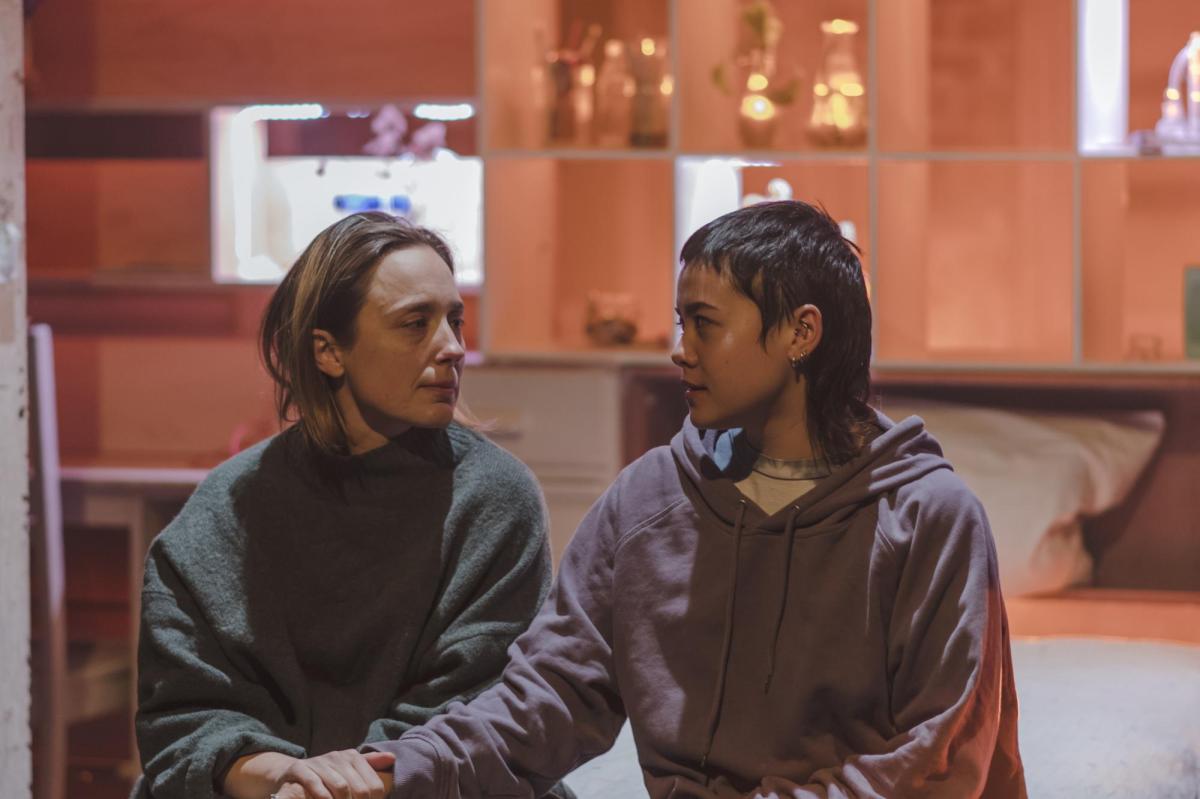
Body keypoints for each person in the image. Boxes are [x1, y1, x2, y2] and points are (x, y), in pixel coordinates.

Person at [361, 200, 1027, 797]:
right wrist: (397, 771)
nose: (681, 352)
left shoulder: (928, 516)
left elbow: (935, 763)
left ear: (802, 332)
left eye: (704, 324)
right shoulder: (648, 500)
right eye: (681, 324)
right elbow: (550, 696)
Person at [133, 212, 569, 799]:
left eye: (455, 320)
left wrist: (340, 781)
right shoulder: (231, 503)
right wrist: (285, 774)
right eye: (416, 323)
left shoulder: (494, 496)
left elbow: (475, 709)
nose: (454, 348)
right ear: (329, 353)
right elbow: (184, 714)